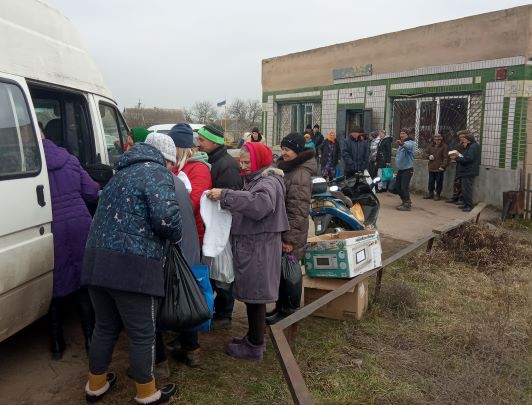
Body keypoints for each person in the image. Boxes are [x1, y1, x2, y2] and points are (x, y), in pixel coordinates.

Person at [81, 141, 181, 404]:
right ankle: (148, 394)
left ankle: (96, 385)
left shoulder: (119, 174)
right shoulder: (157, 172)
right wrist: (177, 236)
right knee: (142, 333)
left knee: (103, 327)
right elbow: (166, 219)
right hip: (133, 267)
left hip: (96, 263)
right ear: (167, 159)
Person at [207, 142, 289, 361]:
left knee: (256, 296)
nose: (242, 166)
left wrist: (226, 195)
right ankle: (254, 336)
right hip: (256, 247)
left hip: (259, 249)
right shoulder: (257, 179)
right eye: (241, 162)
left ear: (259, 162)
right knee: (255, 296)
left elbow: (260, 204)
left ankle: (254, 345)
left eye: (246, 162)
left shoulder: (268, 182)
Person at [145, 132, 202, 373]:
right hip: (186, 252)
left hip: (165, 254)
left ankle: (159, 363)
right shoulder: (177, 181)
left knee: (154, 308)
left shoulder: (153, 182)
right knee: (183, 298)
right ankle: (191, 350)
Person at [42, 133, 99, 360]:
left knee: (53, 283)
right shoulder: (70, 160)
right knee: (82, 281)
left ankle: (57, 344)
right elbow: (91, 191)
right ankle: (90, 340)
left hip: (50, 227)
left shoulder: (28, 165)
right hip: (79, 224)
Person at [267, 133, 316, 324]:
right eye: (282, 149)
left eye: (287, 149)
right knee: (281, 271)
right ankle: (281, 307)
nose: (283, 153)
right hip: (284, 229)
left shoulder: (300, 173)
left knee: (290, 273)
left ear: (297, 150)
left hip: (292, 232)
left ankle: (289, 311)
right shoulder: (287, 168)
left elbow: (298, 209)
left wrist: (289, 240)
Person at [197, 124, 243, 329]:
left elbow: (232, 197)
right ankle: (219, 310)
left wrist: (217, 196)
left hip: (223, 226)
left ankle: (225, 313)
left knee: (223, 272)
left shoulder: (226, 165)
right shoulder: (213, 160)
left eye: (202, 140)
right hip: (213, 224)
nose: (198, 144)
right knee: (215, 270)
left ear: (214, 142)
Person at [169, 124, 212, 248]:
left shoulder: (199, 169)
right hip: (178, 232)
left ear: (179, 147)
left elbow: (191, 204)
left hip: (191, 234)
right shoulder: (177, 166)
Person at [452, 131, 480, 212]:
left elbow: (469, 158)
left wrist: (456, 158)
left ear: (469, 140)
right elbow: (465, 155)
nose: (462, 140)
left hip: (469, 171)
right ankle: (465, 204)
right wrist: (464, 148)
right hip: (466, 170)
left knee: (467, 189)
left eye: (464, 139)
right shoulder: (469, 146)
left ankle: (469, 206)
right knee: (464, 189)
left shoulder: (473, 146)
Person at [395, 129, 416, 211]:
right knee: (397, 187)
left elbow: (408, 147)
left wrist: (402, 143)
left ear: (407, 135)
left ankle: (407, 204)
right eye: (401, 133)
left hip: (408, 169)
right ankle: (404, 201)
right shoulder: (401, 143)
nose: (401, 135)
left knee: (404, 187)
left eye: (403, 133)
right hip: (401, 169)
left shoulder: (411, 143)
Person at [423, 134, 448, 201]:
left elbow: (446, 157)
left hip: (439, 167)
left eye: (439, 139)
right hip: (431, 166)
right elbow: (425, 153)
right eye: (436, 139)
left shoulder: (444, 146)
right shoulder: (431, 145)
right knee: (431, 181)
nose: (438, 141)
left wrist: (443, 166)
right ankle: (430, 193)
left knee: (439, 181)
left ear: (441, 140)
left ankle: (437, 194)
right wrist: (428, 156)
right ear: (434, 140)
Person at [445, 131, 467, 204]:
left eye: (462, 137)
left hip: (465, 166)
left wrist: (458, 155)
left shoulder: (468, 145)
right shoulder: (459, 144)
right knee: (457, 182)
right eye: (460, 137)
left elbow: (467, 156)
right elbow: (454, 150)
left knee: (462, 183)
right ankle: (455, 197)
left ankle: (461, 198)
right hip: (459, 165)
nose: (461, 139)